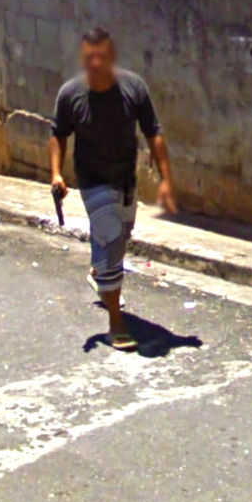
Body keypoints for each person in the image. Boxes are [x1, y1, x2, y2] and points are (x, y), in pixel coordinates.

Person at [49, 28, 176, 351]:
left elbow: (153, 131)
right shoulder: (70, 94)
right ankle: (116, 324)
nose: (95, 63)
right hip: (92, 180)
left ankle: (99, 271)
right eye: (89, 57)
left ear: (111, 58)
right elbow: (58, 134)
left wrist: (165, 177)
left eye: (101, 57)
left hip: (125, 178)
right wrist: (56, 174)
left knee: (121, 236)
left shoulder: (133, 88)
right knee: (109, 237)